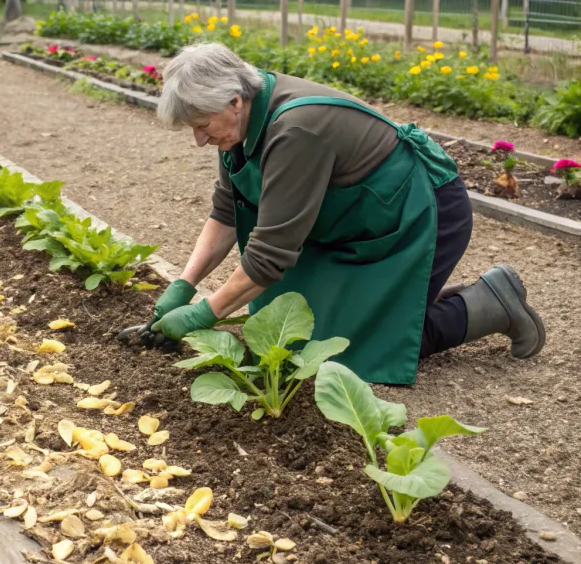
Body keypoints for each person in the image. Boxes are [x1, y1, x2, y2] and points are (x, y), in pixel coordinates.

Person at [146, 43, 545, 384]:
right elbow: (227, 212)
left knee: (347, 352)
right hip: (353, 226)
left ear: (234, 100)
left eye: (202, 125)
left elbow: (269, 257)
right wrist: (184, 283)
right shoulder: (241, 120)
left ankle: (491, 306)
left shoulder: (293, 131)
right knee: (294, 339)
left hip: (417, 215)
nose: (200, 140)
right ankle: (421, 299)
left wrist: (204, 313)